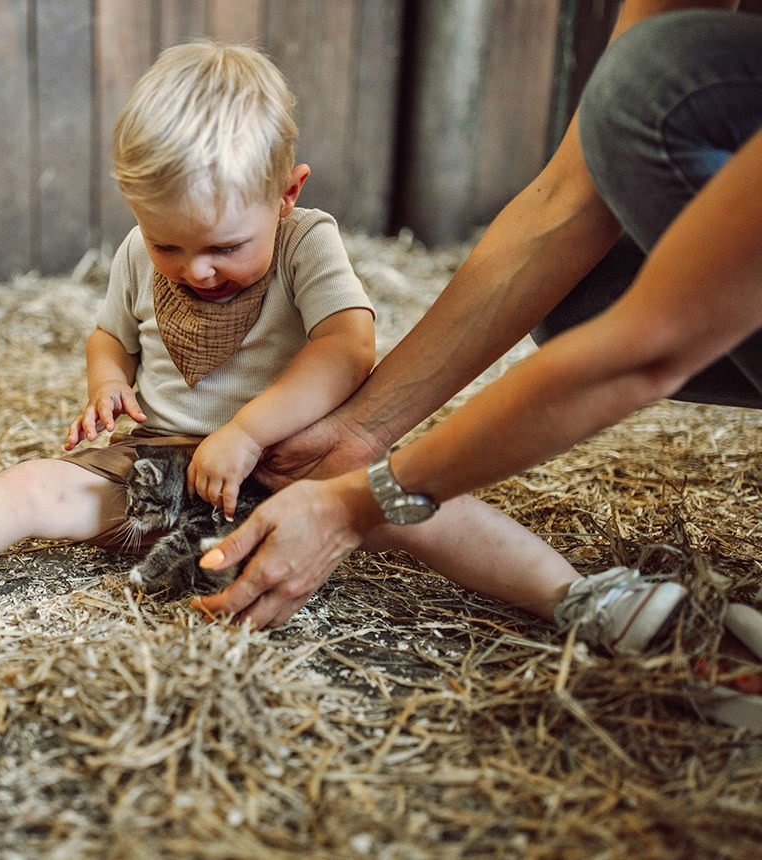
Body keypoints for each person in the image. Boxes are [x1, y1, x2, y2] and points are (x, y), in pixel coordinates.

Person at [0, 41, 682, 656]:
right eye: (168, 245)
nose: (194, 270)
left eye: (223, 246)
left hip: (296, 464)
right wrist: (106, 385)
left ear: (286, 193)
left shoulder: (306, 242)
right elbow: (109, 333)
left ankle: (580, 600)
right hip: (160, 460)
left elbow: (349, 350)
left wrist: (247, 429)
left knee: (427, 504)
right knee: (33, 487)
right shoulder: (141, 253)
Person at [194, 1, 761, 649]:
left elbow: (648, 347)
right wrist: (360, 430)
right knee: (582, 286)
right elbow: (569, 200)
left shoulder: (308, 243)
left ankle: (580, 596)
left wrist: (356, 503)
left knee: (653, 79)